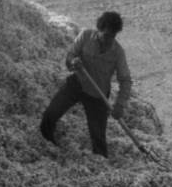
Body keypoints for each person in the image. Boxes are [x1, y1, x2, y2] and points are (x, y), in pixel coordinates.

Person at [39, 10, 133, 156]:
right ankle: (46, 141)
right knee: (51, 114)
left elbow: (125, 80)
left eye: (113, 36)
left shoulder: (118, 52)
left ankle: (100, 161)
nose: (109, 40)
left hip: (98, 95)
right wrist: (72, 62)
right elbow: (71, 55)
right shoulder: (85, 36)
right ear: (99, 29)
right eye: (106, 35)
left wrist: (120, 105)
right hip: (77, 84)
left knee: (98, 137)